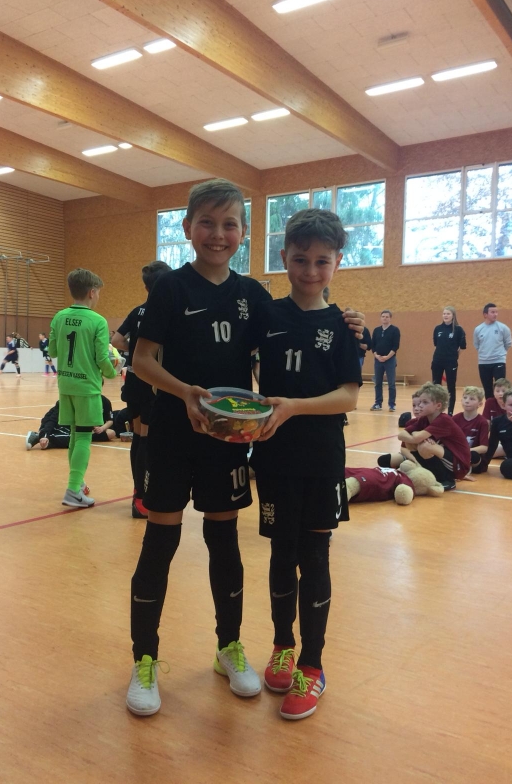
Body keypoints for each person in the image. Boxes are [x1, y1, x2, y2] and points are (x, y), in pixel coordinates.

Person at [126, 179, 365, 718]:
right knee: (159, 545)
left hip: (226, 442)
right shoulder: (170, 288)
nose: (218, 234)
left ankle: (228, 647)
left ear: (244, 232)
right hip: (172, 437)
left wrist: (349, 323)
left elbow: (300, 325)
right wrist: (185, 393)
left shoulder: (254, 297)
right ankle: (144, 660)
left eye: (229, 224)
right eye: (207, 223)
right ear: (187, 228)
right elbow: (141, 361)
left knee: (224, 544)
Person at [249, 209, 361, 720]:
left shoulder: (342, 326)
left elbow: (348, 396)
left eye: (321, 261)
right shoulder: (266, 314)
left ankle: (312, 666)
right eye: (300, 260)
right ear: (284, 258)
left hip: (321, 457)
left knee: (314, 556)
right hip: (274, 456)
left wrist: (294, 406)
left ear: (337, 263)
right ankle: (282, 646)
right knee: (280, 552)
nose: (310, 270)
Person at [48, 268, 117, 508]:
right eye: (98, 293)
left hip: (65, 385)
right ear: (92, 292)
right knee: (84, 437)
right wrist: (113, 371)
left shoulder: (59, 317)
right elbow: (102, 358)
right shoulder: (97, 321)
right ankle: (72, 490)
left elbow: (52, 351)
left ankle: (77, 484)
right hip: (87, 387)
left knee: (75, 436)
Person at [111, 260, 172, 519]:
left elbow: (116, 340)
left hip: (134, 380)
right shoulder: (167, 312)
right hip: (152, 382)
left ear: (146, 287)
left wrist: (134, 350)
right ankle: (143, 497)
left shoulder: (137, 311)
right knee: (147, 438)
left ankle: (139, 492)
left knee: (138, 436)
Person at [394, 382, 471, 490]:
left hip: (459, 464)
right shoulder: (424, 419)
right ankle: (433, 475)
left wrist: (416, 437)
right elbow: (401, 435)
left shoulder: (443, 420)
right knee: (411, 443)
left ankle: (448, 480)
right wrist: (414, 438)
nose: (420, 405)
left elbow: (416, 438)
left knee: (425, 446)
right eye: (420, 402)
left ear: (438, 406)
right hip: (445, 457)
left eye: (425, 402)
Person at [25, 395, 116, 449]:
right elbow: (51, 420)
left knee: (110, 433)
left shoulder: (104, 401)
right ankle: (38, 436)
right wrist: (44, 435)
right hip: (57, 424)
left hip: (78, 427)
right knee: (75, 441)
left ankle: (50, 442)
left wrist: (100, 428)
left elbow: (109, 420)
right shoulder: (67, 400)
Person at [431, 306, 466, 416]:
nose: (445, 315)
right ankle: (436, 410)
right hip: (437, 361)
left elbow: (463, 347)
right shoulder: (438, 328)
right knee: (436, 386)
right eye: (444, 313)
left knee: (451, 386)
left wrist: (454, 355)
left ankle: (450, 412)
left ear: (453, 315)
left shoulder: (458, 330)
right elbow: (436, 344)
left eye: (448, 314)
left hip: (451, 362)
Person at [473, 303, 512, 399]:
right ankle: (490, 407)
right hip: (483, 363)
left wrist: (500, 354)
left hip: (498, 361)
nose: (495, 314)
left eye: (496, 312)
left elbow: (508, 343)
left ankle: (501, 407)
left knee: (501, 388)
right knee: (487, 389)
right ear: (485, 314)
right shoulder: (478, 329)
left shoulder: (503, 328)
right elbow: (477, 345)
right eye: (492, 312)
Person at [452, 386, 489, 474]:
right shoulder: (454, 419)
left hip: (472, 456)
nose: (467, 401)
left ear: (480, 404)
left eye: (472, 399)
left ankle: (464, 467)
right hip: (457, 453)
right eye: (465, 398)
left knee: (473, 456)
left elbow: (484, 447)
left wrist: (465, 451)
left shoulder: (482, 422)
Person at [370, 310, 400, 412]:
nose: (385, 318)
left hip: (390, 360)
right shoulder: (376, 330)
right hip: (378, 360)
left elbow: (396, 346)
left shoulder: (395, 330)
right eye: (383, 316)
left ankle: (392, 404)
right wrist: (376, 355)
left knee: (391, 383)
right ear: (380, 318)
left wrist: (387, 357)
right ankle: (378, 403)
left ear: (390, 318)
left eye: (387, 317)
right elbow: (373, 345)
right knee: (378, 382)